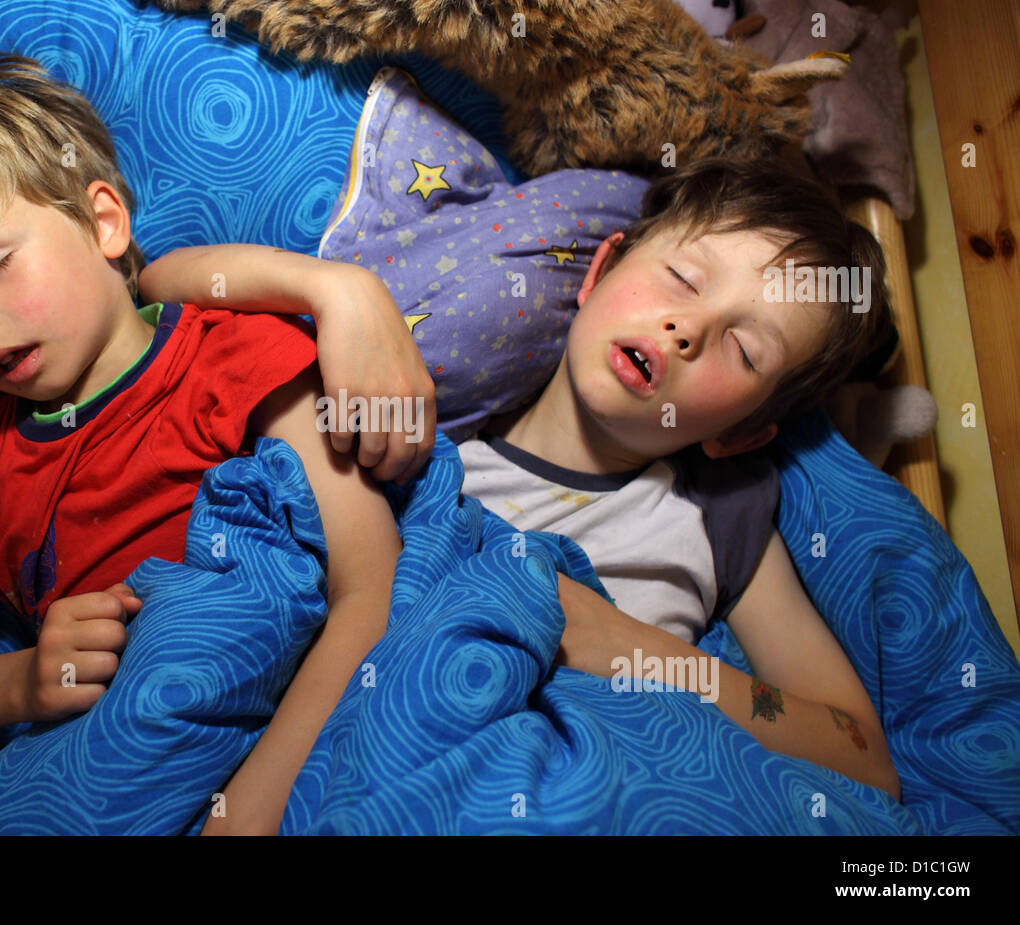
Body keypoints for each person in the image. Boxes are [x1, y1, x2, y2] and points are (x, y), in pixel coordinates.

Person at [141, 158, 903, 801]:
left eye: (744, 349)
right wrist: (338, 291)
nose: (689, 328)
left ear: (744, 432)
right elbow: (158, 295)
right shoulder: (428, 447)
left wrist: (627, 646)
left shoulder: (713, 519)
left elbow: (864, 756)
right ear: (600, 271)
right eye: (682, 277)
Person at [0, 53, 431, 836]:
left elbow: (369, 589)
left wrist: (250, 809)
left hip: (307, 729)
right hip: (114, 761)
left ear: (103, 221)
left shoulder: (232, 357)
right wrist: (21, 683)